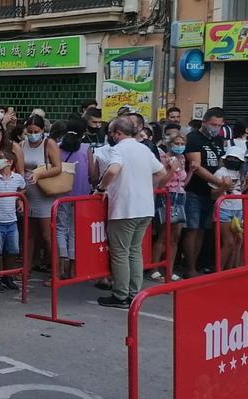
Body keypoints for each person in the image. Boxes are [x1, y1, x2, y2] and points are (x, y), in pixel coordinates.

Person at [96, 117, 166, 308]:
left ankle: (120, 295)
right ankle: (135, 293)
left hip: (125, 208)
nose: (111, 136)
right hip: (145, 207)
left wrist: (101, 188)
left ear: (118, 133)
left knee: (120, 252)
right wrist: (147, 188)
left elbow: (113, 171)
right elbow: (161, 172)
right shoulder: (144, 148)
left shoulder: (118, 149)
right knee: (135, 251)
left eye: (112, 133)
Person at [183, 107, 228, 276]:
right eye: (212, 124)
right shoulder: (193, 138)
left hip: (212, 193)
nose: (215, 127)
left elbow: (221, 162)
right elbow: (197, 167)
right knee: (192, 229)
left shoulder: (217, 140)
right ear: (204, 122)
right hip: (194, 190)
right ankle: (189, 267)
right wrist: (219, 182)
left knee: (202, 229)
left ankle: (197, 264)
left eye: (219, 125)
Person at [20, 114, 63, 272]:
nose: (32, 135)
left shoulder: (48, 143)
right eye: (29, 131)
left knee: (47, 235)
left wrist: (39, 175)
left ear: (42, 130)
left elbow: (57, 167)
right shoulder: (22, 144)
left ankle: (56, 271)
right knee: (29, 234)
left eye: (35, 131)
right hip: (27, 192)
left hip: (43, 192)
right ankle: (27, 268)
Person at [54, 117, 95, 280]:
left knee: (60, 229)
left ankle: (61, 267)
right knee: (75, 231)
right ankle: (72, 268)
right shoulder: (86, 149)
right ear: (83, 132)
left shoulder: (57, 148)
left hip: (61, 195)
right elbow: (92, 174)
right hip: (82, 197)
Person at [0, 148, 25, 291]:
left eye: (1, 157)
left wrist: (19, 201)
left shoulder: (17, 178)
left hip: (12, 221)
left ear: (9, 162)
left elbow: (22, 189)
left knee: (13, 250)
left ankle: (8, 276)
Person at [153, 132, 188, 279]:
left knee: (175, 235)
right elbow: (161, 182)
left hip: (179, 196)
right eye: (177, 143)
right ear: (170, 144)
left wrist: (191, 171)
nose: (179, 147)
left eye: (182, 144)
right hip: (166, 196)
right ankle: (154, 268)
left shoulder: (182, 159)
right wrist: (171, 169)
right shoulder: (163, 158)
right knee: (163, 233)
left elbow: (183, 180)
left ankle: (169, 269)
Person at [212, 146, 247, 270]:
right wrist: (224, 187)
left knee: (238, 241)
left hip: (239, 209)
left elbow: (241, 191)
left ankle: (231, 270)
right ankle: (219, 271)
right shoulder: (220, 172)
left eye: (236, 158)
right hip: (224, 209)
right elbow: (212, 194)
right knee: (228, 243)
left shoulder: (241, 173)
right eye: (231, 158)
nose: (233, 160)